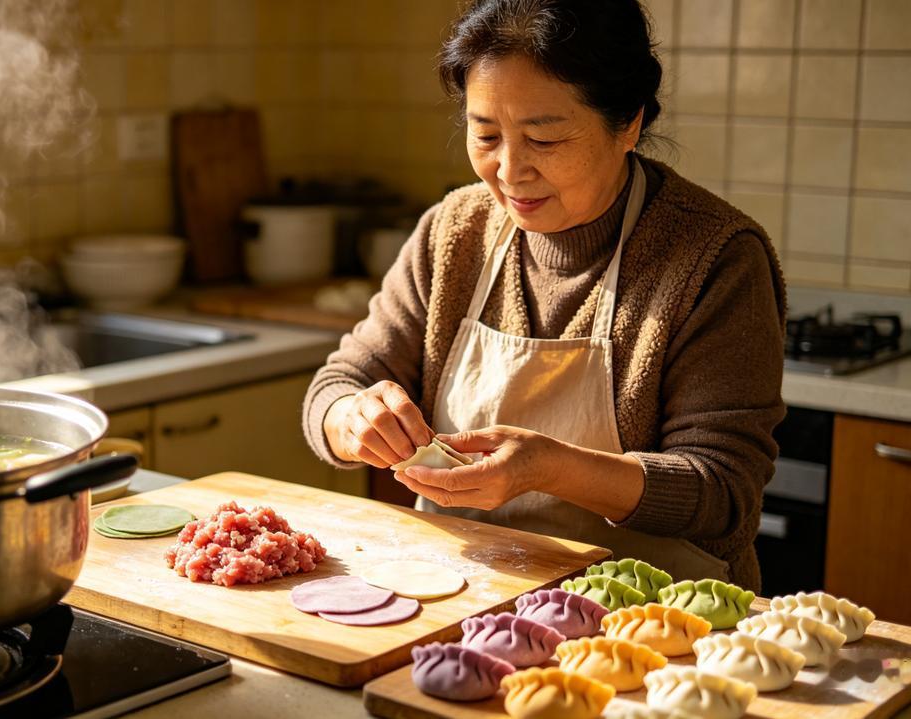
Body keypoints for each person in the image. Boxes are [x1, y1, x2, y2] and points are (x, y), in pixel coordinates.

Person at [302, 0, 786, 591]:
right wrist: (352, 420)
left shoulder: (714, 257)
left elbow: (722, 491)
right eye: (485, 135)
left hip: (656, 620)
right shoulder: (455, 231)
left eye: (545, 138)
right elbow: (336, 385)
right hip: (460, 598)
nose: (509, 170)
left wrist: (551, 469)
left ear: (628, 123)